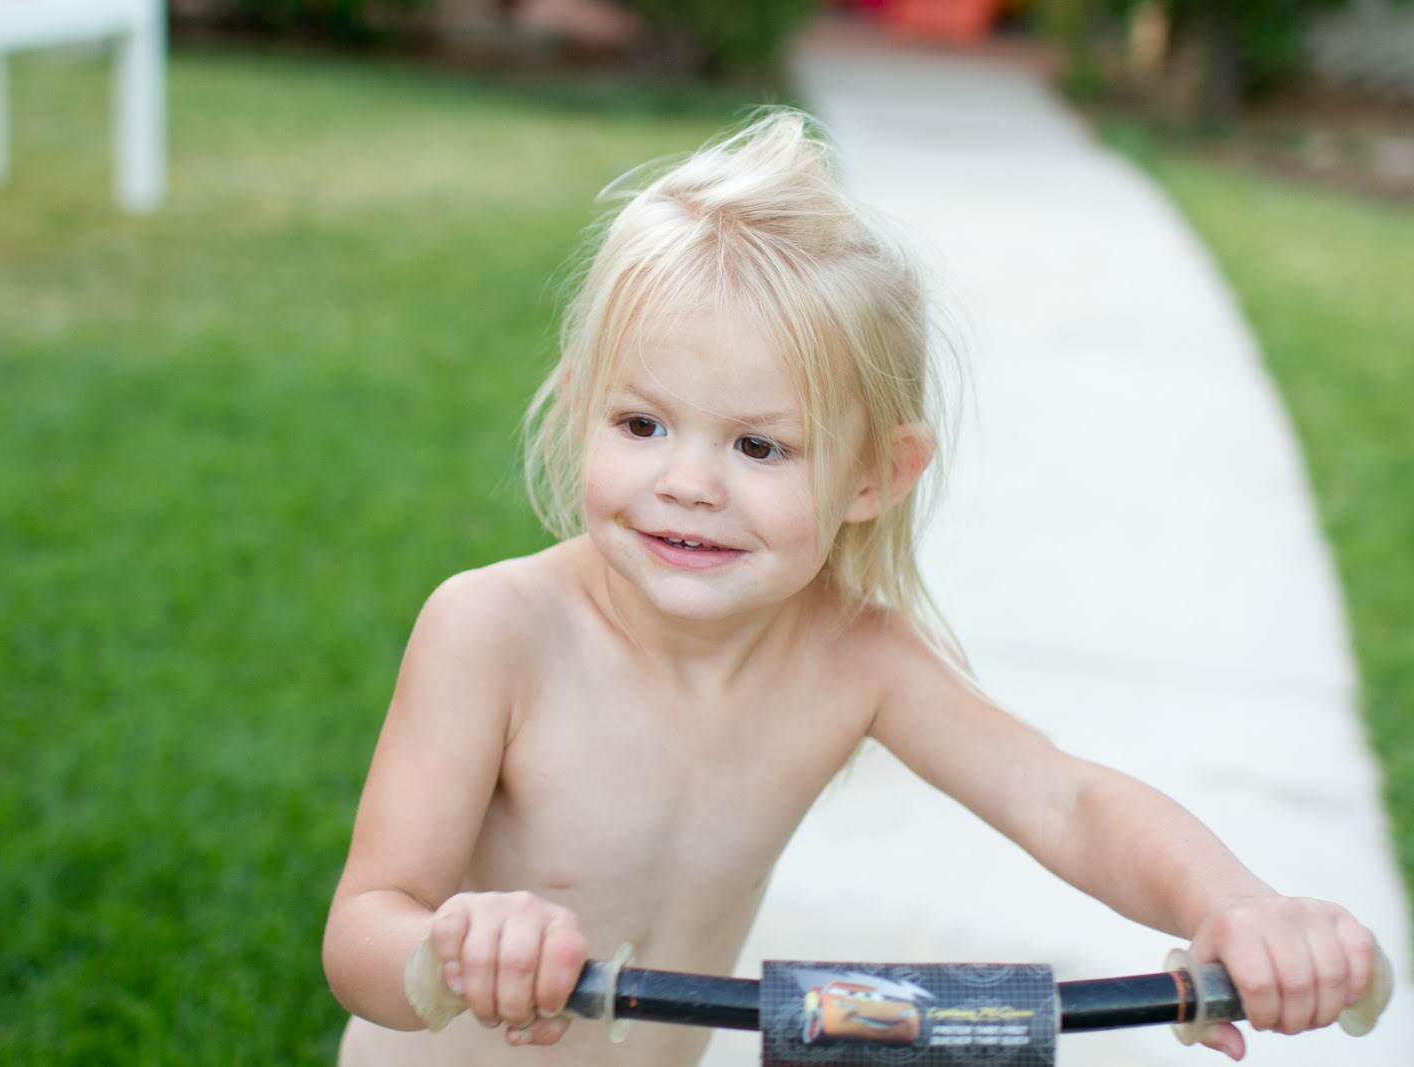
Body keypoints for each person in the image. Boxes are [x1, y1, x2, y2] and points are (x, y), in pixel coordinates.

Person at [322, 108, 1379, 1066]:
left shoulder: (850, 656)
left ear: (874, 474)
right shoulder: (496, 631)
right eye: (640, 423)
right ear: (578, 409)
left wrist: (1238, 905)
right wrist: (453, 946)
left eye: (759, 445)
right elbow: (364, 929)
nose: (686, 482)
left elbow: (1062, 797)